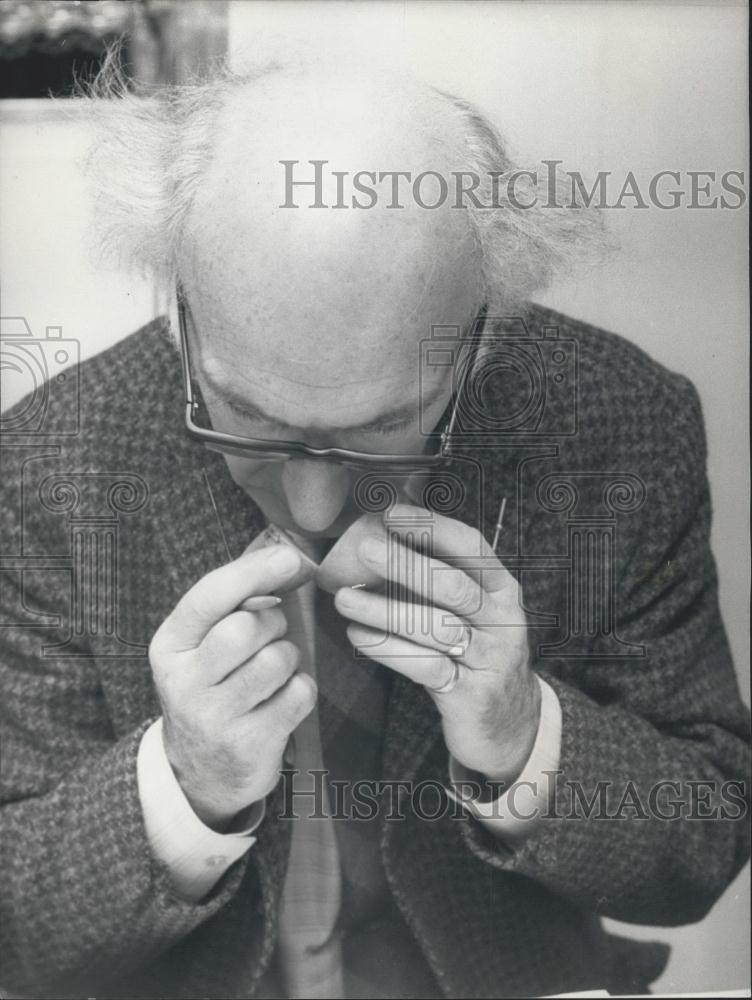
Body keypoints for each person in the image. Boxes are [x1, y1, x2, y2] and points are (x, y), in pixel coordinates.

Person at [0, 56, 749, 999]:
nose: (314, 509)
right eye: (247, 417)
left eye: (385, 426)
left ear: (485, 329)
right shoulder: (48, 461)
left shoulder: (620, 422)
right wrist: (182, 782)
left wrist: (525, 735)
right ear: (180, 308)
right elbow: (14, 933)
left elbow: (705, 843)